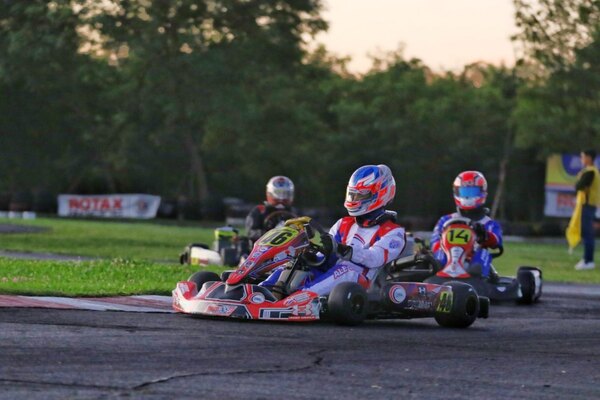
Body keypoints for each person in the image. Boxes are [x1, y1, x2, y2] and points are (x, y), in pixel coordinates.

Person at [261, 164, 406, 297]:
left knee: (345, 270)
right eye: (353, 194)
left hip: (362, 283)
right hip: (331, 274)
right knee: (299, 261)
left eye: (361, 195)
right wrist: (311, 250)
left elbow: (375, 258)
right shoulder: (344, 223)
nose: (355, 199)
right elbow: (325, 253)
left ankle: (301, 298)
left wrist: (343, 250)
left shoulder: (394, 232)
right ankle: (263, 291)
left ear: (381, 194)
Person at [430, 171, 503, 281]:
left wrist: (485, 235)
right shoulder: (446, 220)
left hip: (472, 258)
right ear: (457, 192)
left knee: (483, 253)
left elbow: (497, 242)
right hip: (448, 257)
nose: (468, 196)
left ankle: (477, 278)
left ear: (483, 192)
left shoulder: (489, 223)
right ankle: (438, 274)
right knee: (439, 252)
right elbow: (434, 243)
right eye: (464, 192)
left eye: (472, 192)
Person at [245, 176, 297, 242]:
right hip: (264, 247)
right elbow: (251, 232)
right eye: (278, 193)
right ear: (269, 193)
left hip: (289, 249)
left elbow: (308, 233)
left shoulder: (294, 212)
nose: (281, 198)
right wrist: (271, 234)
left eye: (285, 194)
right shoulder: (260, 210)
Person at [572, 150, 600, 270]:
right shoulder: (593, 171)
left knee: (588, 233)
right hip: (589, 205)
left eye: (583, 156)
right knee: (587, 233)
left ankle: (589, 261)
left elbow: (578, 186)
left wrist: (579, 179)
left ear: (589, 157)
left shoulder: (590, 172)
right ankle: (587, 259)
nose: (581, 158)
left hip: (587, 205)